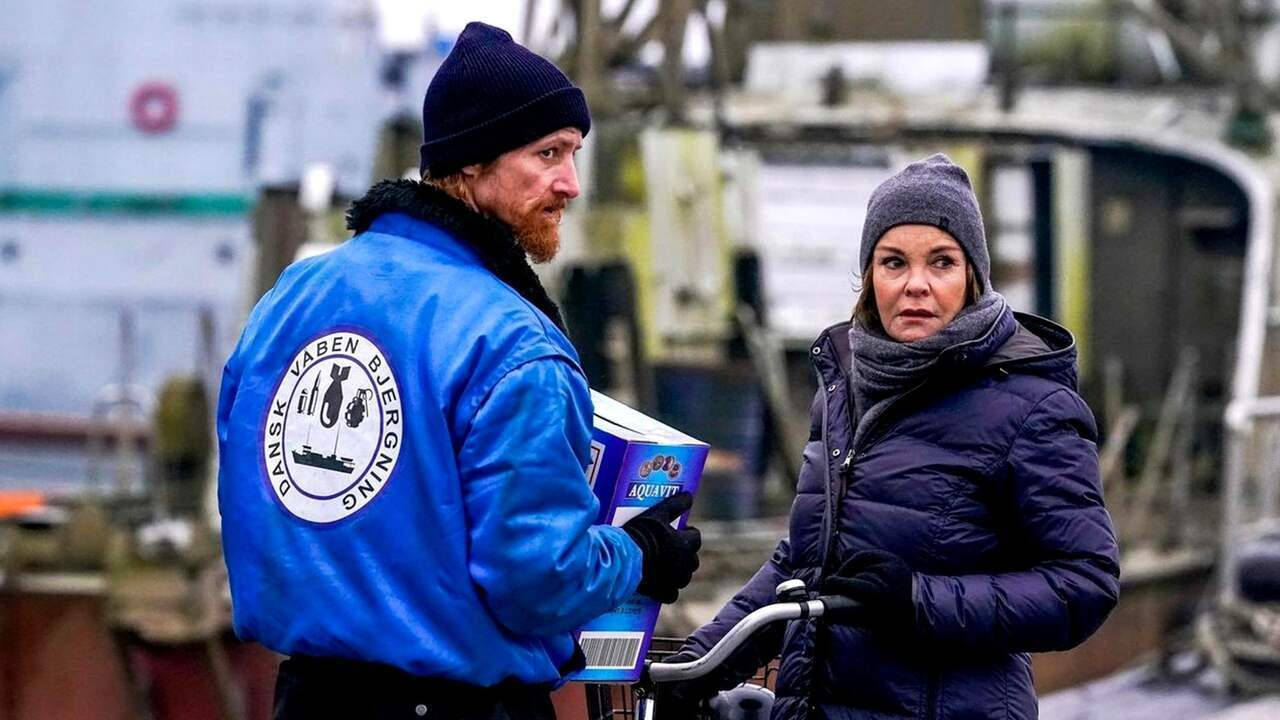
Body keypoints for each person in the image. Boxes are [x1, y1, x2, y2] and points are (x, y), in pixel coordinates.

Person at [216, 21, 701, 720]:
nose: (569, 182)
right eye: (548, 153)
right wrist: (639, 554)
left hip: (308, 697)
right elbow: (537, 577)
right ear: (471, 164)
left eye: (573, 154)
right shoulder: (509, 341)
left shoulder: (289, 300)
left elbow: (249, 496)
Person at [663, 154, 1120, 720]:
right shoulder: (842, 391)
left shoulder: (1033, 407)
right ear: (869, 276)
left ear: (973, 276)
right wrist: (704, 660)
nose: (916, 285)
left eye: (942, 262)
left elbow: (1083, 584)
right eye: (894, 262)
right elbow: (804, 564)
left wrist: (917, 600)